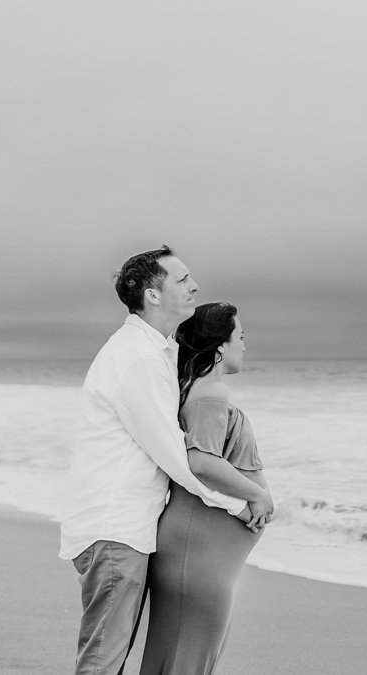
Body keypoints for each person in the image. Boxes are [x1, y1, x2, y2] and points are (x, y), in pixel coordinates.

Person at [59, 247, 274, 675]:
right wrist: (245, 500)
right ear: (152, 295)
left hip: (125, 529)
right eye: (181, 279)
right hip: (114, 528)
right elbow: (178, 456)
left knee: (110, 658)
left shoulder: (155, 352)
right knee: (103, 661)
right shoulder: (137, 357)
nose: (194, 286)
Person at [140, 302, 269, 675]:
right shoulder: (211, 393)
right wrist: (257, 494)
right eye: (240, 337)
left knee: (180, 658)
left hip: (200, 552)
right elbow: (202, 462)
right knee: (189, 661)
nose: (245, 345)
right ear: (219, 347)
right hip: (198, 556)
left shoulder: (197, 390)